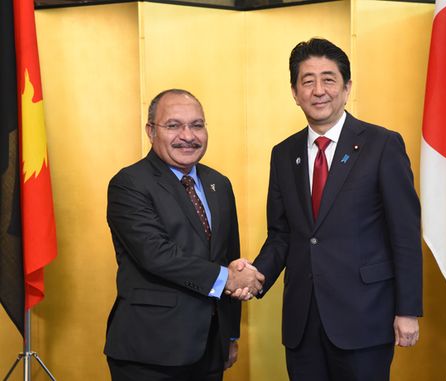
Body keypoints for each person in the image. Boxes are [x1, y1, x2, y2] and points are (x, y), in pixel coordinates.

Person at [250, 38, 423, 380]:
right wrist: (255, 276)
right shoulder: (283, 154)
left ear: (346, 88)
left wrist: (408, 311)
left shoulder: (382, 144)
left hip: (365, 317)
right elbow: (282, 234)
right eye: (308, 80)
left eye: (329, 79)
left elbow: (403, 233)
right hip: (303, 321)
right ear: (294, 91)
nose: (318, 90)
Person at [104, 89, 264, 381]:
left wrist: (228, 335)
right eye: (174, 125)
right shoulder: (129, 184)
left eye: (197, 125)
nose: (188, 135)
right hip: (150, 352)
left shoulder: (219, 183)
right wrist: (229, 278)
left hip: (209, 350)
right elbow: (156, 254)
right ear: (151, 131)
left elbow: (227, 254)